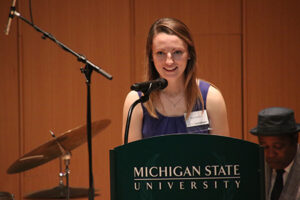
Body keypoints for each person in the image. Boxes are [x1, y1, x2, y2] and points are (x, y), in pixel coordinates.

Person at [122, 17, 230, 143]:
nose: (169, 61)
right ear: (151, 56)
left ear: (189, 54)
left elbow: (223, 158)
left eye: (177, 52)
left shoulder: (212, 98)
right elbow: (131, 160)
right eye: (161, 53)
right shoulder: (136, 101)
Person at [250, 107, 300, 200]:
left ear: (295, 139)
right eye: (265, 147)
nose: (270, 154)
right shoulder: (256, 167)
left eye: (278, 147)